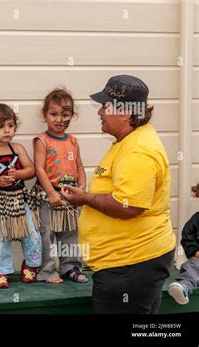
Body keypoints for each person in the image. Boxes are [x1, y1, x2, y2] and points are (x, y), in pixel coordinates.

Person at [61, 75, 176, 314]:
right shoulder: (130, 141)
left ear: (125, 113)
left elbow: (129, 206)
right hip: (129, 262)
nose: (99, 112)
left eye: (105, 105)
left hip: (130, 264)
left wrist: (85, 198)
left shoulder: (138, 151)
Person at [0, 103, 41, 289]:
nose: (7, 131)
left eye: (10, 126)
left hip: (18, 200)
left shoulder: (17, 148)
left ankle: (31, 264)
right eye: (1, 127)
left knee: (32, 234)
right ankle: (0, 271)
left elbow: (31, 170)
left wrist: (17, 175)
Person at [32, 88, 88, 284]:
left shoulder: (73, 141)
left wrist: (82, 186)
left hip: (70, 195)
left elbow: (79, 166)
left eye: (65, 114)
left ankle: (71, 267)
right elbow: (39, 169)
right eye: (53, 114)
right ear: (45, 115)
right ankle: (47, 270)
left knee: (71, 232)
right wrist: (50, 193)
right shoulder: (42, 140)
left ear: (72, 115)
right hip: (50, 195)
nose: (59, 119)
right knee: (47, 233)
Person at [168, 212, 199, 305]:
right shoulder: (197, 219)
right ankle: (183, 286)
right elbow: (187, 236)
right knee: (193, 266)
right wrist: (195, 251)